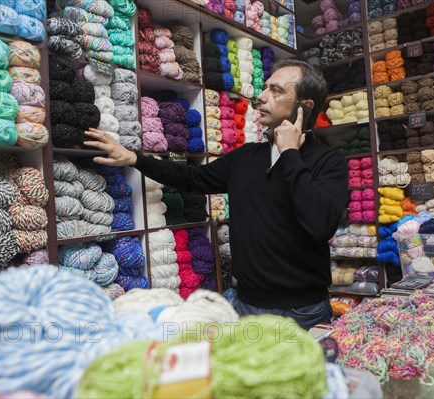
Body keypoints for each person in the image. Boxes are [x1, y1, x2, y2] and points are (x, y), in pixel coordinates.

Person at [84, 59, 348, 330]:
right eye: (265, 87)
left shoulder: (328, 161)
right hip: (246, 306)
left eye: (276, 90)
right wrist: (134, 158)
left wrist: (290, 153)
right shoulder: (247, 157)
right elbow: (192, 178)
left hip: (301, 312)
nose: (262, 96)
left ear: (305, 106)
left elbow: (321, 224)